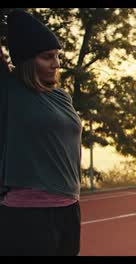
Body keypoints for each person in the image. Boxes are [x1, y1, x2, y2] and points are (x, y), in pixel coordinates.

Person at [0, 9, 82, 256]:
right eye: (47, 57)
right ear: (26, 60)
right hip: (27, 213)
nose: (56, 63)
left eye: (57, 55)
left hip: (69, 206)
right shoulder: (9, 91)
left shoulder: (61, 96)